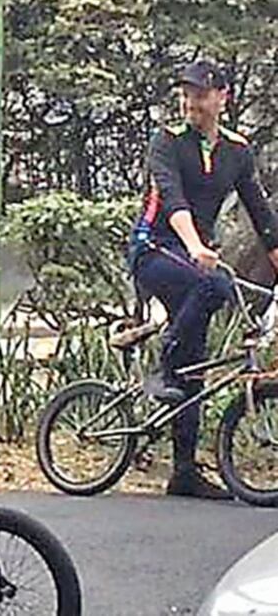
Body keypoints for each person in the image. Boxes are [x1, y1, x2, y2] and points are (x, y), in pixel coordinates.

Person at [129, 60, 278, 500]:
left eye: (199, 93)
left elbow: (261, 214)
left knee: (194, 366)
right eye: (186, 93)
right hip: (155, 249)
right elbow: (172, 199)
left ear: (221, 97)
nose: (190, 101)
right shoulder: (167, 142)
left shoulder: (237, 150)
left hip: (196, 258)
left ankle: (184, 471)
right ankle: (164, 363)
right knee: (212, 288)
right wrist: (196, 246)